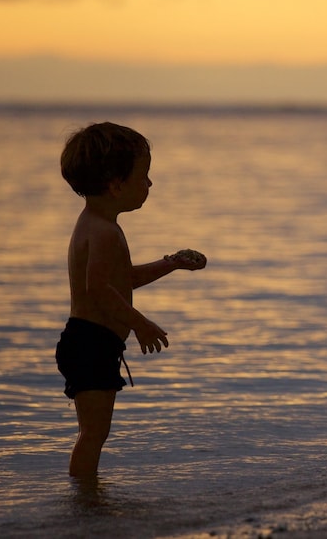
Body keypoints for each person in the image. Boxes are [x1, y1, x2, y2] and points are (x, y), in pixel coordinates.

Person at [56, 122, 207, 478]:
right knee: (93, 434)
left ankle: (87, 500)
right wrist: (140, 323)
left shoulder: (98, 223)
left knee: (95, 433)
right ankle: (85, 502)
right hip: (89, 343)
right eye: (144, 176)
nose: (150, 185)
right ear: (116, 184)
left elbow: (123, 280)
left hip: (93, 343)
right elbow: (98, 290)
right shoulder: (103, 231)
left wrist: (171, 264)